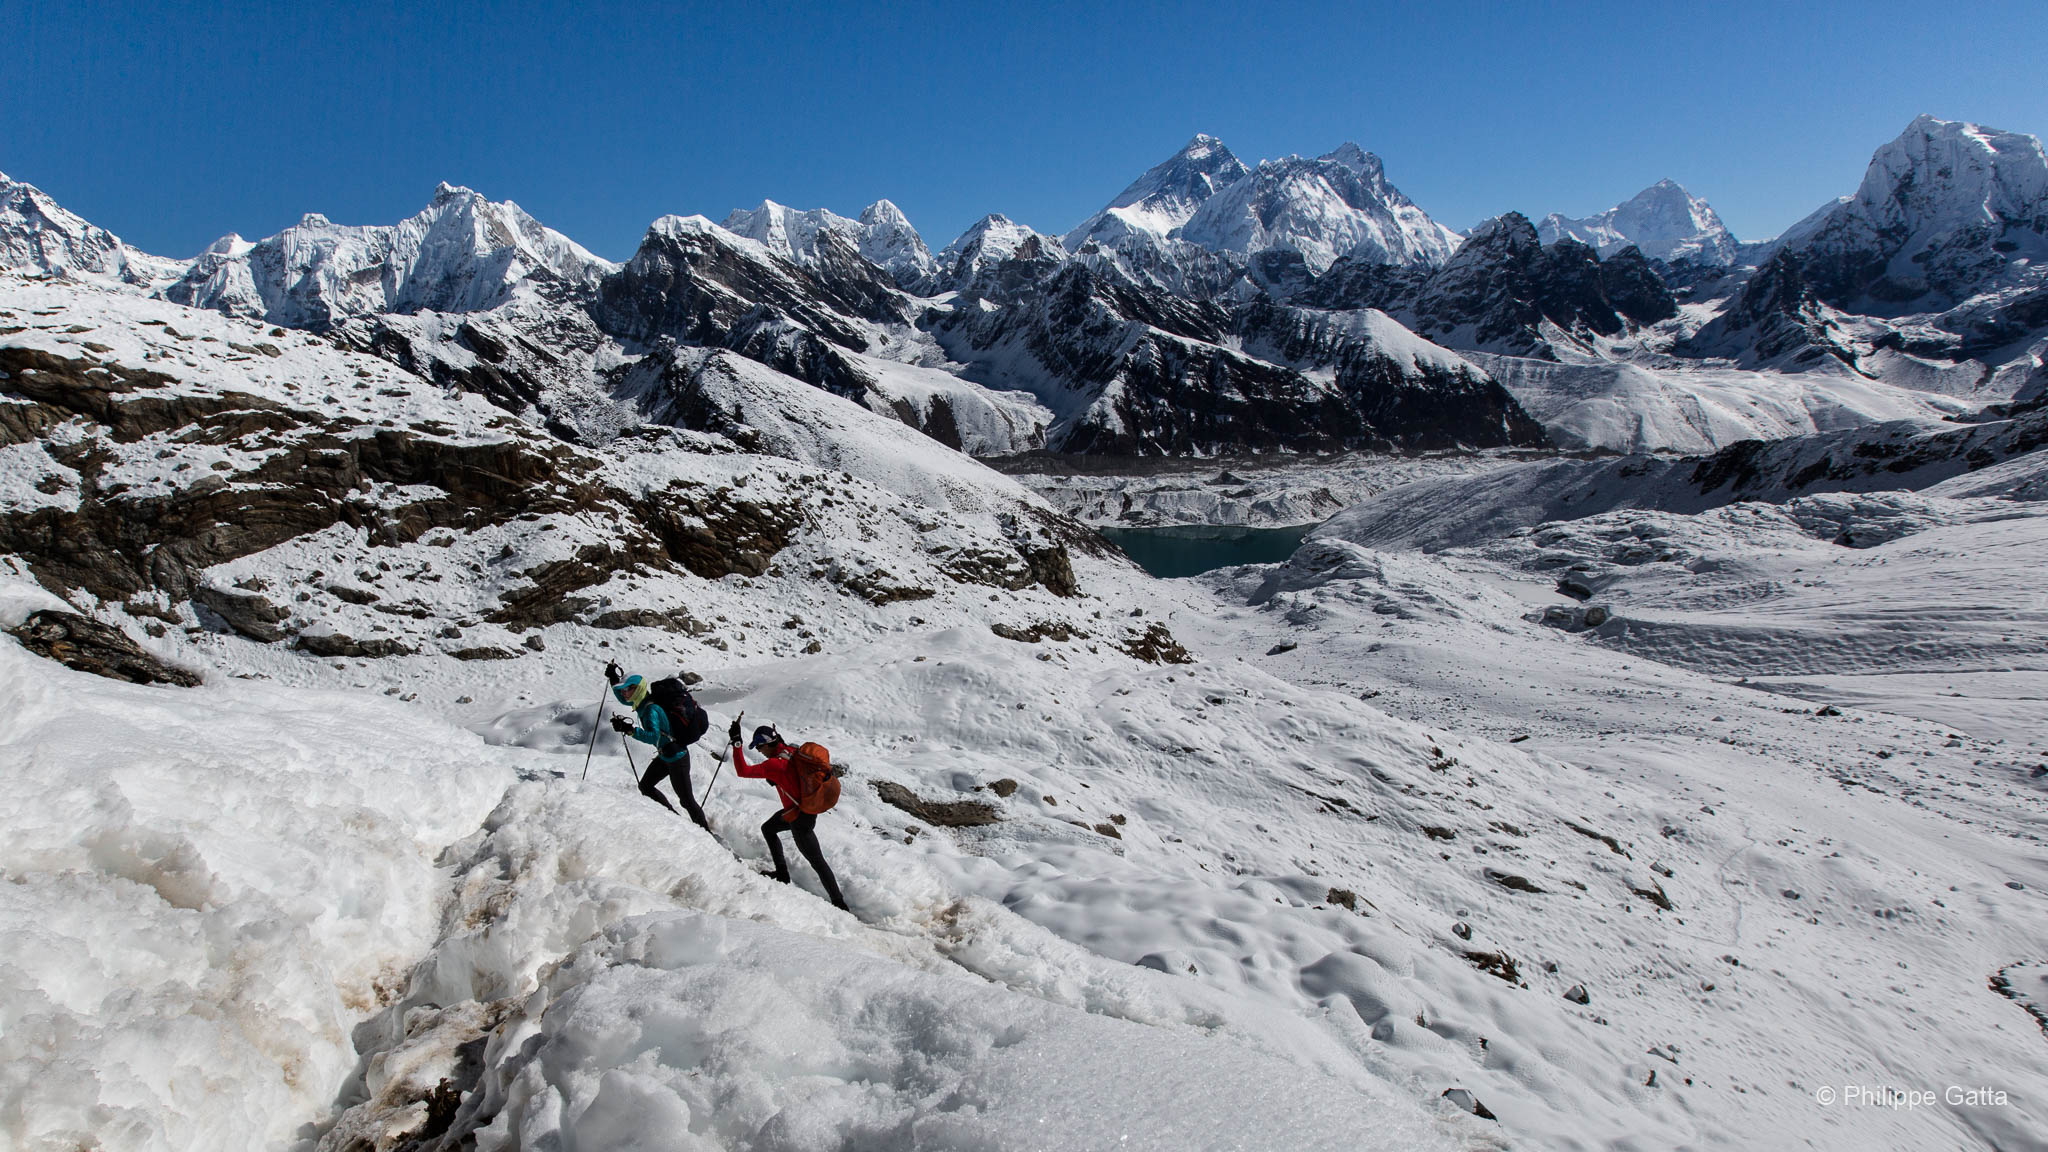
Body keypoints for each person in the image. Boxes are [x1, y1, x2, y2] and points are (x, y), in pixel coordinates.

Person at [728, 719, 848, 910]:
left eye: (760, 747)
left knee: (816, 860)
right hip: (800, 809)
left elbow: (743, 771)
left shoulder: (774, 765)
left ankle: (839, 903)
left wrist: (736, 743)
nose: (759, 751)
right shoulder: (792, 751)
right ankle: (782, 875)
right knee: (768, 828)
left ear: (767, 744)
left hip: (799, 818)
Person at [606, 661, 709, 830]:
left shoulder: (650, 709)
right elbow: (623, 699)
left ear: (638, 688)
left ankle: (705, 834)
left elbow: (653, 736)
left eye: (628, 689)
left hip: (677, 758)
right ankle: (676, 821)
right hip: (666, 755)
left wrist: (630, 730)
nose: (624, 693)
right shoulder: (642, 701)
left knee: (686, 800)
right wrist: (613, 680)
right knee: (645, 786)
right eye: (623, 690)